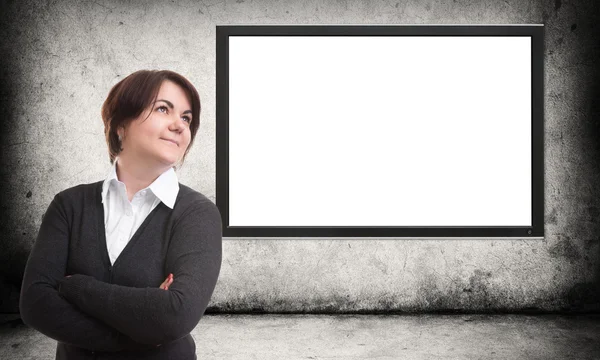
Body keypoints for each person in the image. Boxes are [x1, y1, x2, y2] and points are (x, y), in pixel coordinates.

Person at [19, 70, 222, 359]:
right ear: (121, 124)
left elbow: (175, 315)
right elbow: (35, 303)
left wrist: (74, 286)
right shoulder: (69, 205)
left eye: (187, 118)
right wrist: (139, 334)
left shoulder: (197, 214)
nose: (180, 125)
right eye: (163, 108)